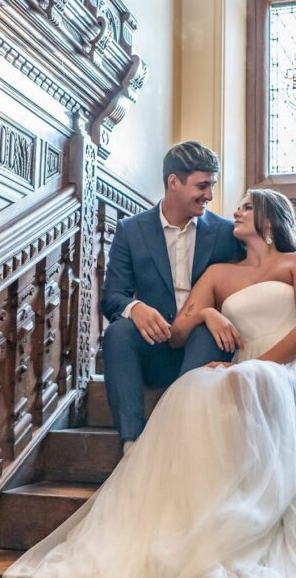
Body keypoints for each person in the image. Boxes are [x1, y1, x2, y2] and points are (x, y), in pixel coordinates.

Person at [0, 188, 296, 578]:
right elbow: (178, 334)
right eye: (238, 205)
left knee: (235, 379)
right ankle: (192, 494)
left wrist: (255, 369)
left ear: (269, 217)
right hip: (244, 374)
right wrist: (208, 312)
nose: (236, 212)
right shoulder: (220, 274)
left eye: (246, 206)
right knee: (192, 387)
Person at [101, 141, 244, 454]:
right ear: (173, 182)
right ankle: (132, 443)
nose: (209, 195)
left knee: (208, 329)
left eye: (212, 186)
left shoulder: (225, 233)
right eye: (202, 186)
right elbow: (111, 296)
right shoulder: (130, 230)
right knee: (117, 332)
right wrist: (134, 308)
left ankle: (177, 432)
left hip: (203, 347)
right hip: (154, 347)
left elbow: (263, 271)